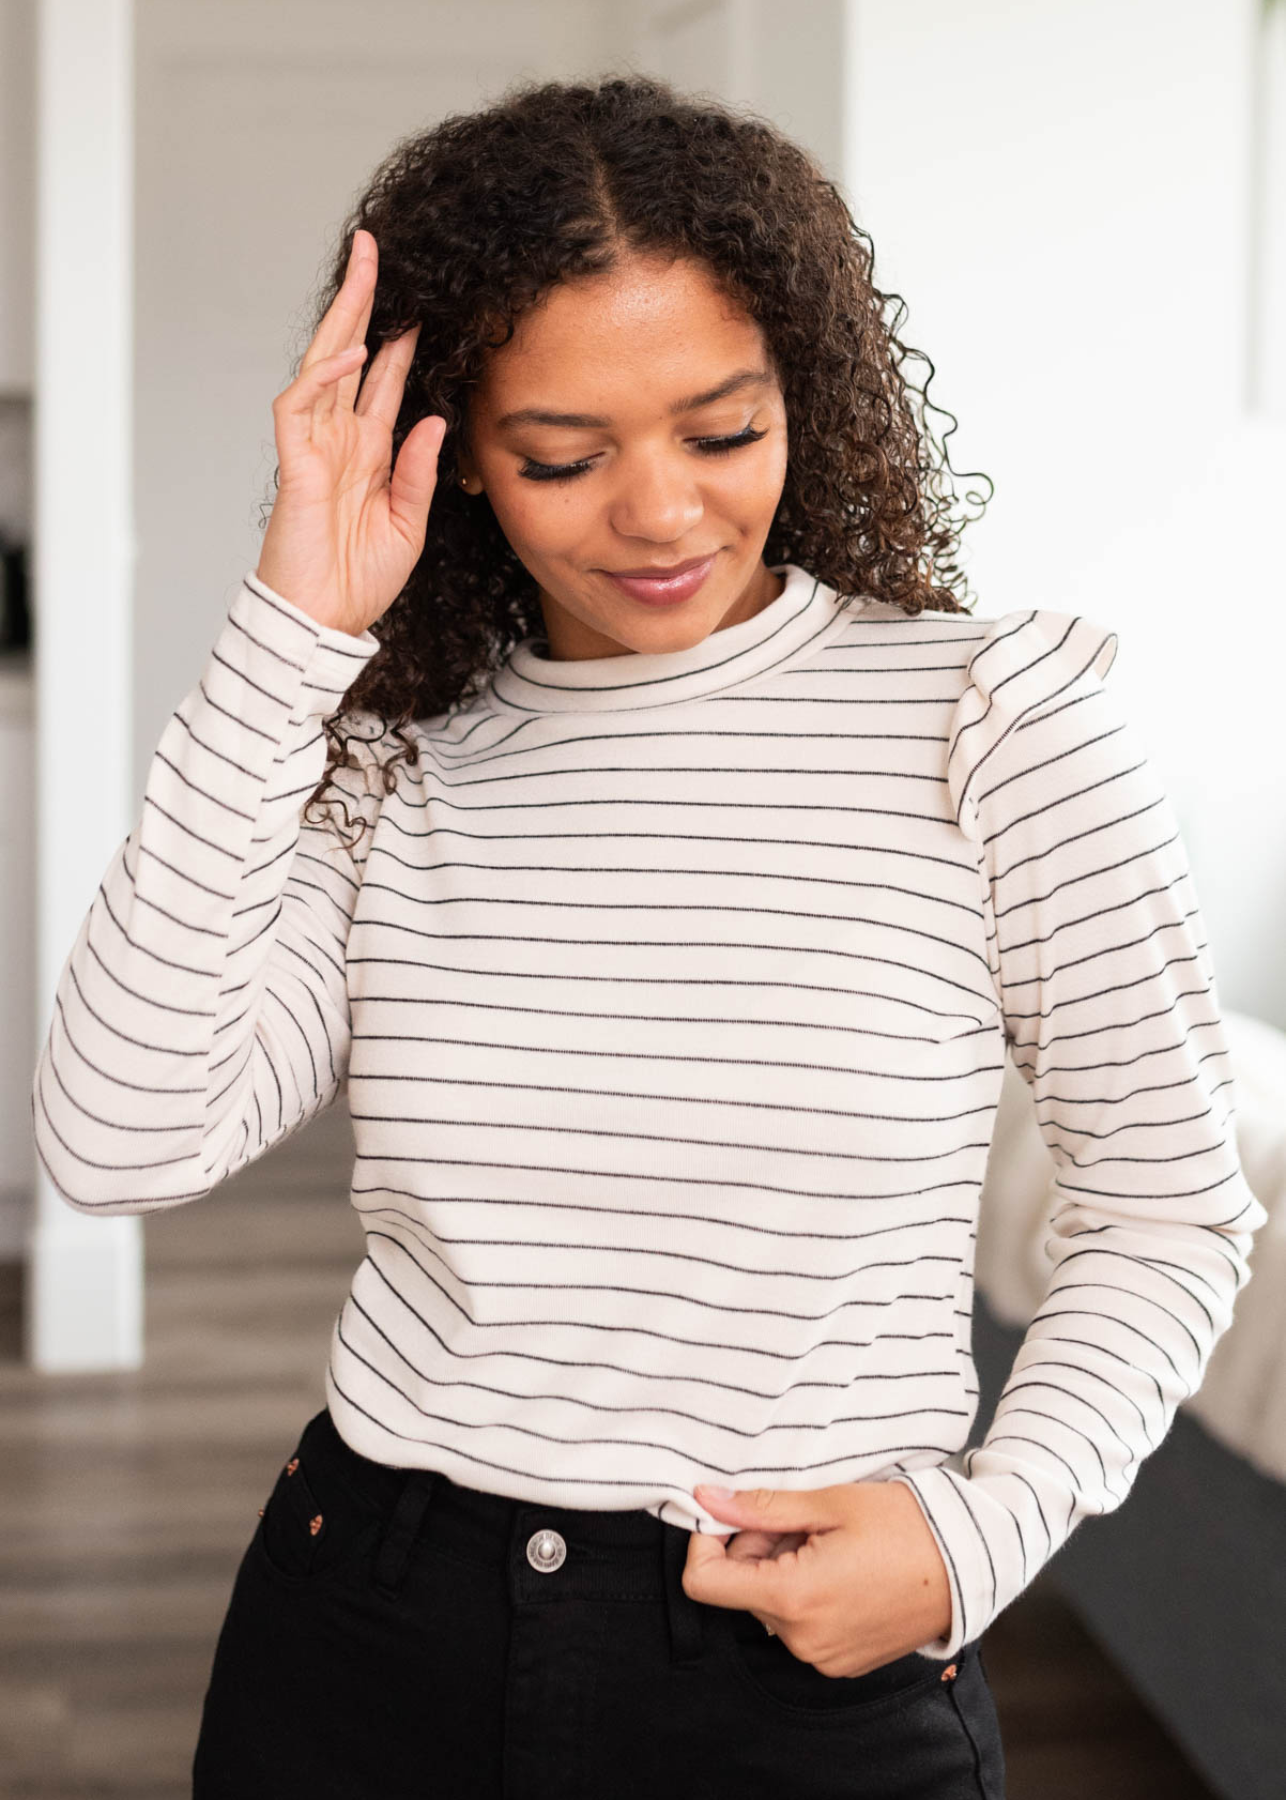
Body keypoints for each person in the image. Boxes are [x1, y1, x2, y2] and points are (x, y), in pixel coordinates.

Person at [31, 72, 1264, 1800]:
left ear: (804, 400)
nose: (662, 515)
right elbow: (115, 1139)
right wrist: (290, 634)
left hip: (803, 1657)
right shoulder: (392, 764)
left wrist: (977, 1533)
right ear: (448, 455)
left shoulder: (995, 718)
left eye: (720, 430)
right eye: (561, 456)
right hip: (375, 1619)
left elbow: (1167, 1209)